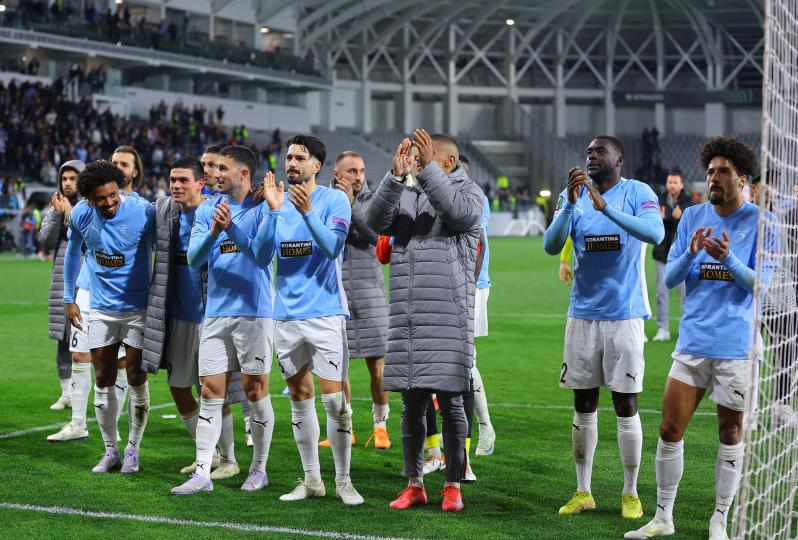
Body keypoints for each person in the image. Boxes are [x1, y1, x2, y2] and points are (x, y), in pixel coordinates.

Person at [626, 137, 777, 540]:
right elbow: (672, 278)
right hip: (693, 343)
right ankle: (663, 517)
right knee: (669, 429)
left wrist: (728, 259)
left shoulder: (763, 224)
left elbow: (761, 286)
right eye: (710, 171)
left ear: (742, 179)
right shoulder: (692, 217)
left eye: (723, 171)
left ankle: (719, 519)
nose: (714, 177)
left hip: (736, 347)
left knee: (730, 433)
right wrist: (692, 253)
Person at [543, 136, 664, 519]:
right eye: (588, 152)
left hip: (624, 315)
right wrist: (569, 204)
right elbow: (551, 245)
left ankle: (630, 492)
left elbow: (656, 234)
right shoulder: (573, 196)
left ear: (619, 158)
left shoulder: (638, 192)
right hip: (582, 315)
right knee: (583, 403)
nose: (591, 157)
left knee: (625, 403)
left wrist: (605, 209)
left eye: (600, 152)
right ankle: (583, 491)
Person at [366, 130, 483, 512]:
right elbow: (373, 221)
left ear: (448, 161)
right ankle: (414, 484)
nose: (417, 164)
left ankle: (453, 485)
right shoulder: (407, 192)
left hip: (448, 317)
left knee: (451, 405)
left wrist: (427, 171)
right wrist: (394, 178)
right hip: (408, 317)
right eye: (415, 160)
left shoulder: (470, 193)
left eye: (424, 159)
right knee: (411, 406)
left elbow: (458, 214)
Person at [251, 134, 363, 506]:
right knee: (300, 399)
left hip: (325, 314)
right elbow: (260, 257)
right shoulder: (276, 203)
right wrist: (271, 211)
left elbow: (333, 247)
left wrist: (306, 212)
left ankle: (344, 481)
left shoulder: (335, 200)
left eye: (300, 158)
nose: (291, 163)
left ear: (317, 165)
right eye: (288, 157)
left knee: (334, 402)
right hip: (286, 317)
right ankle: (312, 478)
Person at [171, 145, 275, 496]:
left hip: (254, 312)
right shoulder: (207, 209)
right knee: (209, 391)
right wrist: (215, 232)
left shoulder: (263, 207)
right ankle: (203, 471)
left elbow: (261, 256)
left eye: (222, 169)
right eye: (214, 168)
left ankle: (259, 468)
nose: (214, 174)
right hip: (215, 312)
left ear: (243, 174)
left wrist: (231, 229)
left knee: (255, 391)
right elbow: (194, 258)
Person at [141, 156, 241, 480]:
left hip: (211, 316)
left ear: (200, 183)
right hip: (178, 317)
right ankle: (207, 455)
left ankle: (229, 459)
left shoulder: (216, 210)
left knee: (214, 390)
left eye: (183, 180)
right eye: (172, 180)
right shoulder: (163, 211)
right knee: (179, 389)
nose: (176, 186)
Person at [63, 160, 155, 474]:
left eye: (113, 195)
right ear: (89, 199)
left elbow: (165, 251)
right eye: (101, 198)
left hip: (138, 310)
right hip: (101, 309)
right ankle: (111, 450)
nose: (110, 202)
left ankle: (133, 449)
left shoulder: (142, 211)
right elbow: (73, 253)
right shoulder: (80, 214)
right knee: (103, 379)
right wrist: (69, 297)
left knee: (136, 378)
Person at [333, 150, 391, 450]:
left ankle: (380, 427)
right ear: (337, 174)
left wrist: (352, 204)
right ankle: (345, 428)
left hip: (370, 294)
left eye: (361, 171)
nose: (358, 177)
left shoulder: (373, 202)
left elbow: (374, 236)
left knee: (378, 365)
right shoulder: (325, 201)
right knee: (337, 367)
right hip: (336, 293)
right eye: (352, 171)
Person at [40, 160, 88, 427]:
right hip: (61, 283)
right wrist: (58, 214)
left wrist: (69, 212)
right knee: (62, 339)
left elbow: (88, 239)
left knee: (85, 341)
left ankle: (84, 395)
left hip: (86, 283)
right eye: (64, 178)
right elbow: (45, 241)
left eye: (73, 178)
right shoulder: (55, 208)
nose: (68, 183)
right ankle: (66, 393)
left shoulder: (90, 206)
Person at [751, 172, 798, 426]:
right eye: (766, 185)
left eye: (775, 185)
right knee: (750, 353)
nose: (771, 189)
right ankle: (750, 407)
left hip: (782, 295)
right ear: (753, 189)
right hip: (753, 295)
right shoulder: (745, 216)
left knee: (787, 352)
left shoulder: (784, 218)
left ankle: (782, 407)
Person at [652, 170, 695, 342]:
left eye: (676, 182)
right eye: (670, 182)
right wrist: (659, 219)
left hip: (683, 256)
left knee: (686, 295)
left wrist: (680, 217)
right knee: (661, 294)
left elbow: (693, 226)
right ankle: (663, 329)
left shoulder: (689, 203)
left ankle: (687, 330)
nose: (672, 185)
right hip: (662, 254)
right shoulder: (658, 201)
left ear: (682, 185)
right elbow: (651, 225)